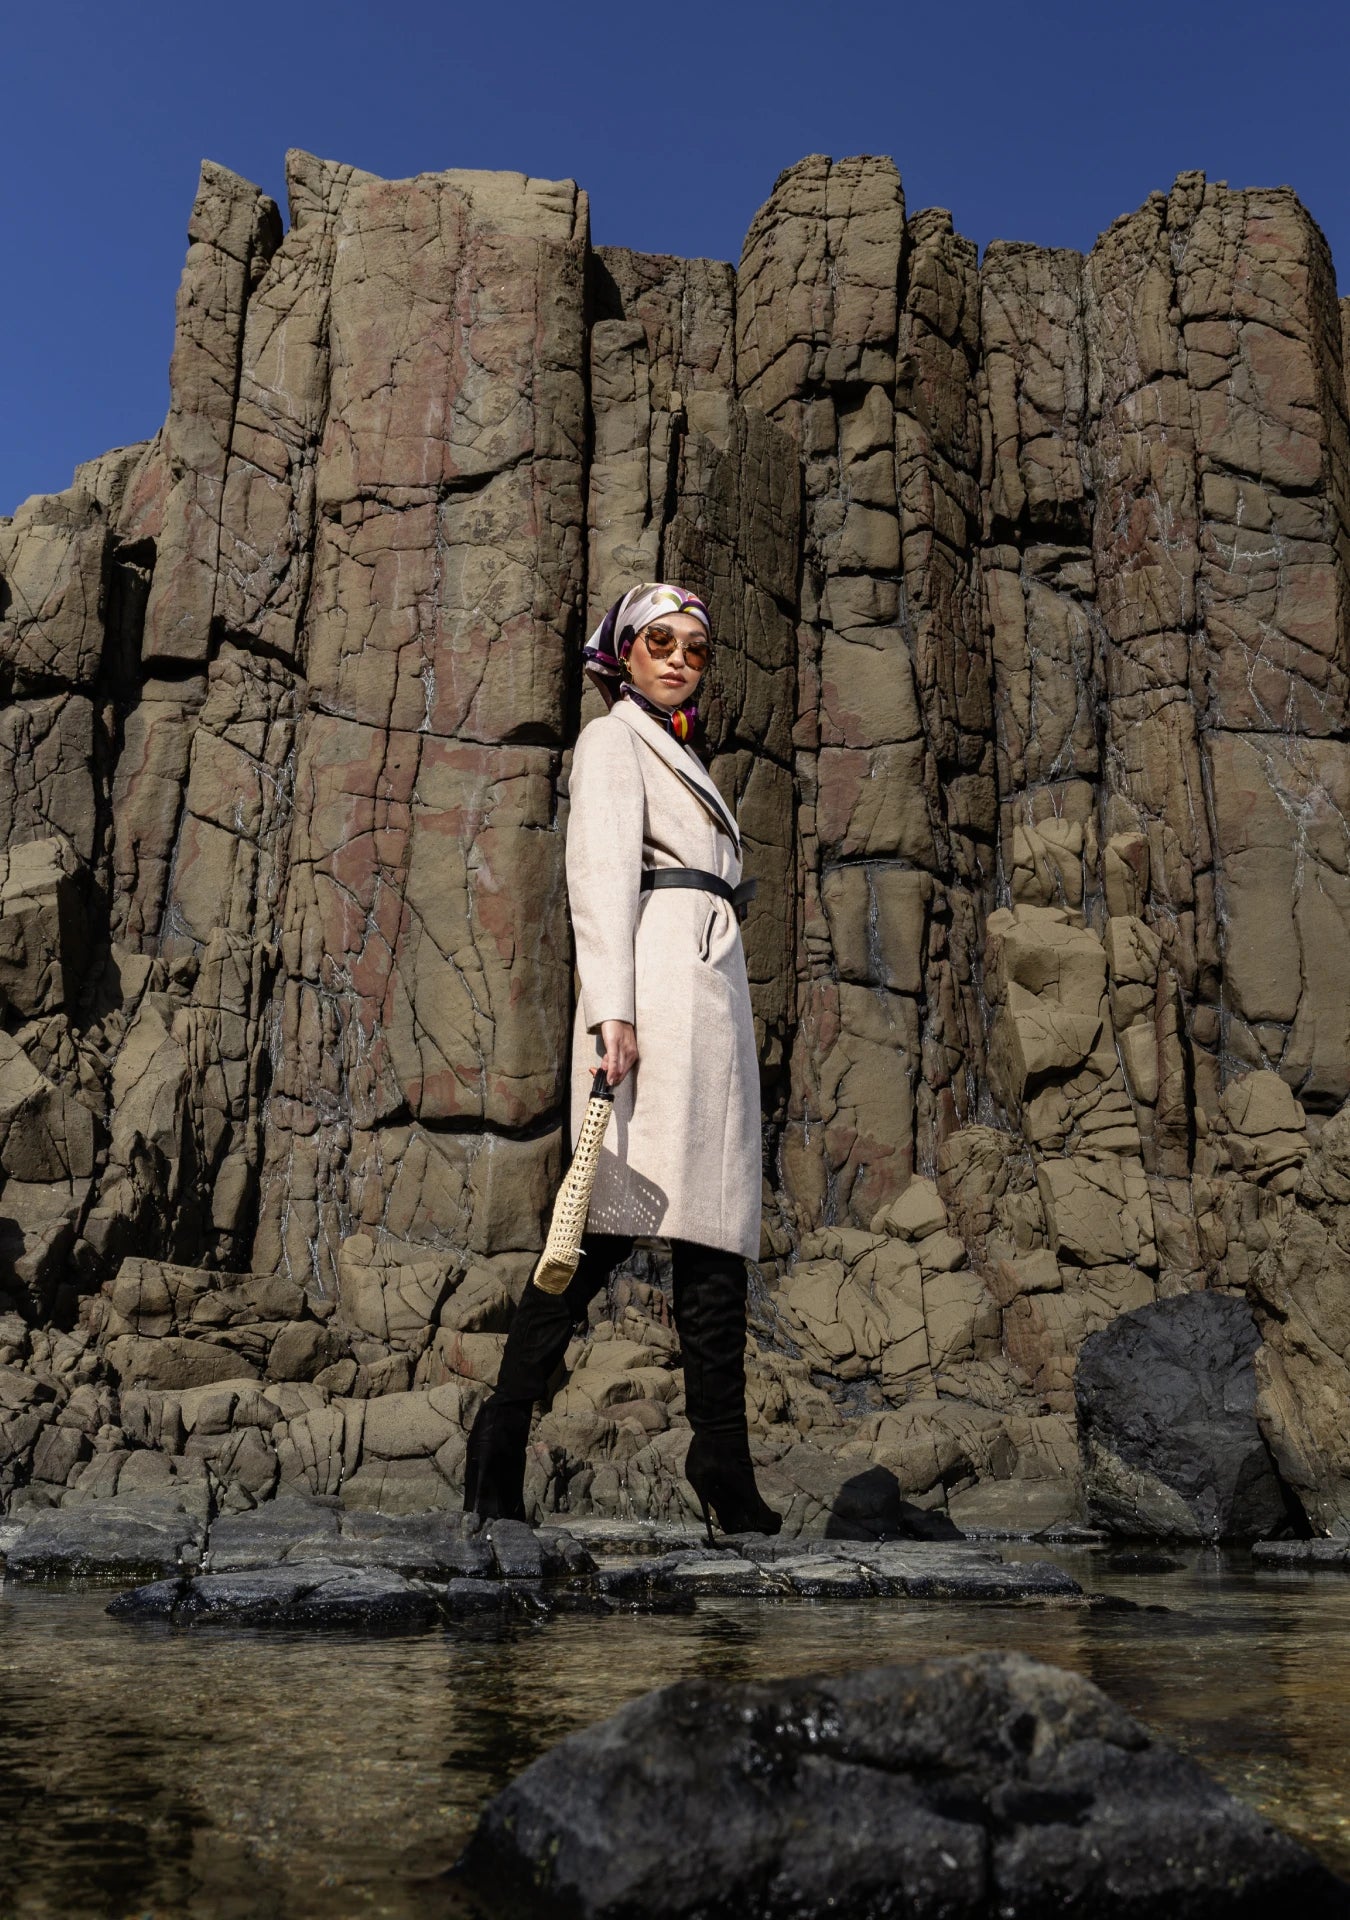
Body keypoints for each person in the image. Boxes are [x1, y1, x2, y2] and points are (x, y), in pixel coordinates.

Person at [463, 582, 780, 1539]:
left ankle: (722, 1458)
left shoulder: (679, 749)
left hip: (709, 996)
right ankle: (502, 1436)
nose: (679, 657)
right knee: (597, 1227)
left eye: (694, 646)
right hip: (655, 1002)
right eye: (659, 643)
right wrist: (611, 1013)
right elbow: (596, 879)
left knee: (713, 1240)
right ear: (624, 653)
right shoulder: (612, 740)